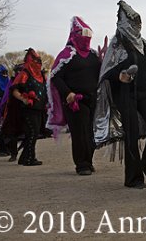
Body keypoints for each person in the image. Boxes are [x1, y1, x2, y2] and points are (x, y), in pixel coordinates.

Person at [94, 0, 146, 188]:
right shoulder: (117, 44)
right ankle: (133, 178)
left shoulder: (143, 44)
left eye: (139, 24)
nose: (137, 27)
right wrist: (120, 75)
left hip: (143, 93)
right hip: (125, 95)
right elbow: (106, 73)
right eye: (134, 24)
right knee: (131, 134)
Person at [48, 16, 101, 175]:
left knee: (91, 132)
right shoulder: (66, 55)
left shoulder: (94, 55)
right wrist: (68, 93)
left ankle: (89, 161)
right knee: (80, 133)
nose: (86, 38)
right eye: (82, 34)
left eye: (88, 35)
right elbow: (55, 77)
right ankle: (81, 164)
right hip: (74, 101)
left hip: (92, 99)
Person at [10, 48, 47, 166]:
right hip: (28, 109)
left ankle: (24, 157)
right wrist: (23, 99)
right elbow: (15, 90)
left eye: (39, 60)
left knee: (35, 133)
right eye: (36, 60)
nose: (38, 63)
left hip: (39, 108)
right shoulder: (24, 74)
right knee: (32, 132)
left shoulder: (41, 75)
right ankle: (30, 158)